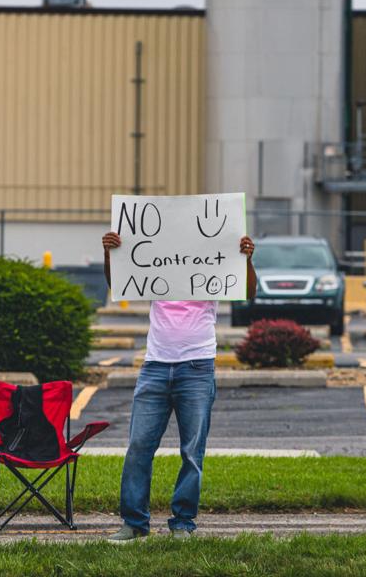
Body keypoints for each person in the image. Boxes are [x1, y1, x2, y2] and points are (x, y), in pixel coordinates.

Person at [102, 230, 256, 542]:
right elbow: (119, 283)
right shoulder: (158, 263)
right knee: (139, 447)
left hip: (197, 366)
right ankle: (134, 523)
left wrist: (247, 260)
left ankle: (183, 522)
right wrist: (111, 254)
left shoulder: (210, 262)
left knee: (192, 452)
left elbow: (248, 292)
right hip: (155, 364)